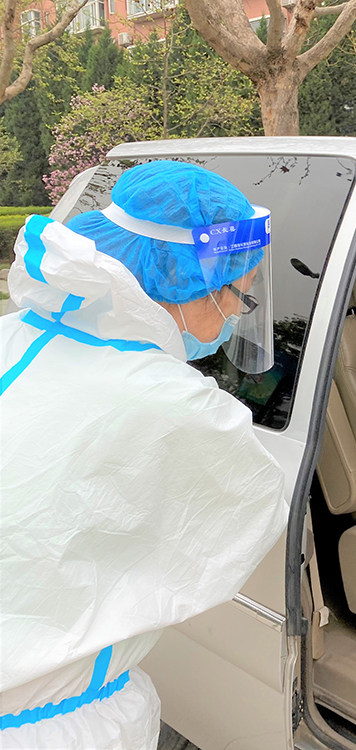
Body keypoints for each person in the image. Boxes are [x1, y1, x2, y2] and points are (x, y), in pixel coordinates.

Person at [0, 161, 288, 749]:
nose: (239, 313)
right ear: (186, 280)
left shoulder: (14, 334)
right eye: (241, 293)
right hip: (50, 727)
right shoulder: (173, 402)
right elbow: (246, 515)